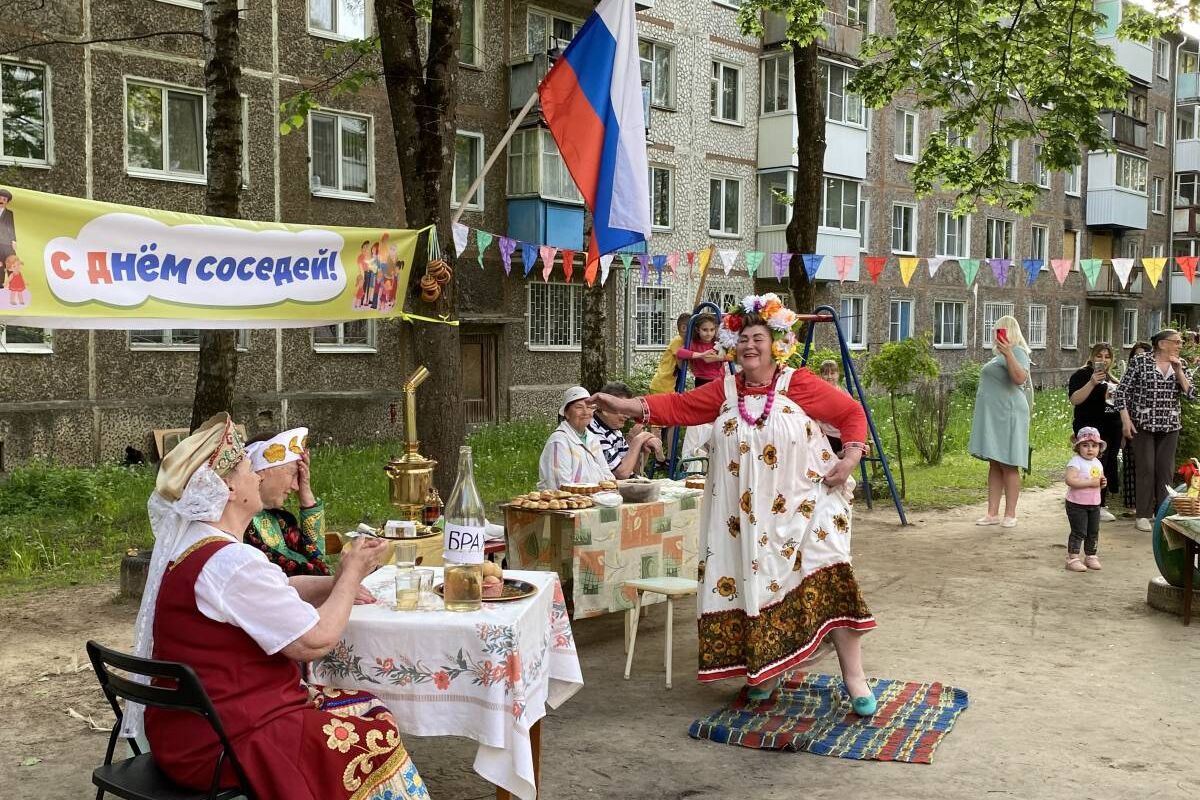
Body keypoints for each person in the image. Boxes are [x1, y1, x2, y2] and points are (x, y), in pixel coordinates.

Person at [591, 293, 878, 714]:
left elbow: (852, 414)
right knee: (757, 588)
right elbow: (680, 407)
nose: (750, 346)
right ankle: (765, 671)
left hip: (809, 506)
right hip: (747, 519)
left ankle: (855, 679)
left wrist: (850, 458)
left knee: (830, 576)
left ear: (776, 341)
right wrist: (626, 404)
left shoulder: (798, 383)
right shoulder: (725, 390)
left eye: (759, 337)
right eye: (743, 337)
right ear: (731, 344)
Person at [127, 413, 428, 799]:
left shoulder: (196, 546)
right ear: (230, 489)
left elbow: (280, 587)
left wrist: (337, 582)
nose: (257, 477)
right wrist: (351, 573)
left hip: (187, 730)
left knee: (364, 703)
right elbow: (315, 641)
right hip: (227, 742)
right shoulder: (230, 564)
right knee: (377, 730)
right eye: (250, 470)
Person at [1115, 329, 1195, 532]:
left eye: (1180, 342)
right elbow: (1122, 392)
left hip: (1170, 424)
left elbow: (1191, 394)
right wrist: (1126, 420)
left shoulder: (1181, 364)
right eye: (1176, 342)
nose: (1180, 345)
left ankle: (1163, 515)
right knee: (1146, 468)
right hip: (1143, 423)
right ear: (1162, 344)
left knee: (1165, 471)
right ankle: (1142, 514)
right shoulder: (1141, 362)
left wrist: (1178, 372)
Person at [969, 315, 1032, 528]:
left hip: (1009, 414)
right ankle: (992, 513)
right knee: (995, 462)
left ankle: (1010, 514)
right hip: (995, 416)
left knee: (1008, 462)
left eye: (999, 331)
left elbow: (1020, 378)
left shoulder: (1018, 352)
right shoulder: (997, 357)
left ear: (1009, 332)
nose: (997, 336)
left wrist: (1008, 353)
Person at [244, 427, 331, 576]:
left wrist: (306, 496)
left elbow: (316, 554)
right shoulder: (239, 524)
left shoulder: (278, 519)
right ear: (263, 471)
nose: (295, 486)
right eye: (293, 474)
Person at [1067, 343, 1121, 522]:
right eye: (1099, 356)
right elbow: (1075, 399)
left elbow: (1116, 404)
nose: (1103, 360)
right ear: (1092, 357)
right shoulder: (1081, 375)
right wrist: (1092, 383)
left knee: (1106, 464)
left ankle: (1100, 502)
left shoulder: (1112, 378)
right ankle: (1089, 502)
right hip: (1089, 427)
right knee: (1092, 463)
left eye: (1107, 356)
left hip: (1110, 427)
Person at [538, 385, 614, 490]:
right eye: (579, 407)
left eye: (589, 407)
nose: (586, 412)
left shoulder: (592, 438)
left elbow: (607, 474)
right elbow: (559, 486)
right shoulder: (559, 441)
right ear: (566, 413)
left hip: (596, 498)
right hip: (570, 503)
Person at [587, 381, 664, 479]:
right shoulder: (593, 431)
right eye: (622, 410)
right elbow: (622, 474)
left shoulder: (613, 428)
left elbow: (635, 469)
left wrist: (644, 448)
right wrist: (638, 439)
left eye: (627, 410)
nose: (627, 416)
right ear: (604, 408)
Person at [1064, 427, 1107, 572]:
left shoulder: (1097, 463)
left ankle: (1090, 555)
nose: (1090, 449)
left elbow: (1098, 482)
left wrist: (1102, 483)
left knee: (1093, 531)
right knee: (1079, 531)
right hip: (1077, 504)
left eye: (1094, 446)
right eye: (1085, 445)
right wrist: (1090, 483)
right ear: (1078, 447)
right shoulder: (1075, 462)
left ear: (1099, 448)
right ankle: (1072, 558)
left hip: (1094, 503)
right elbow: (1070, 480)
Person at [1121, 341, 1153, 513]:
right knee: (1131, 463)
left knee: (1147, 465)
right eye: (1136, 355)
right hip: (1130, 422)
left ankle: (1150, 505)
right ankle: (1132, 505)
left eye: (1144, 354)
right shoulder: (1129, 377)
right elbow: (1121, 397)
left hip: (1148, 425)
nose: (1140, 358)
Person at [676, 313, 727, 388]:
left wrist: (718, 358)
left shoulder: (718, 343)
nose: (709, 333)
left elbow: (732, 357)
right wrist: (701, 355)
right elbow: (680, 353)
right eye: (705, 330)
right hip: (701, 381)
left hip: (718, 380)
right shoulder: (694, 344)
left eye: (712, 330)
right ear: (697, 330)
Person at [649, 313, 692, 394]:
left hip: (667, 384)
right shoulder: (678, 341)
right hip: (662, 384)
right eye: (693, 329)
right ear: (683, 328)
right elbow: (681, 365)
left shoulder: (682, 342)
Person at [817, 359, 844, 454]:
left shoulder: (842, 392)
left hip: (840, 433)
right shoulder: (819, 392)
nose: (829, 377)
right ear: (820, 375)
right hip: (826, 433)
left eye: (832, 373)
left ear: (838, 374)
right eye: (825, 374)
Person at [0, 188, 16, 271]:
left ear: (7, 202)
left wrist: (14, 240)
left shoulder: (9, 213)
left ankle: (13, 281)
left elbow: (11, 226)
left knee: (11, 263)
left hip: (6, 242)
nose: (1, 201)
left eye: (4, 199)